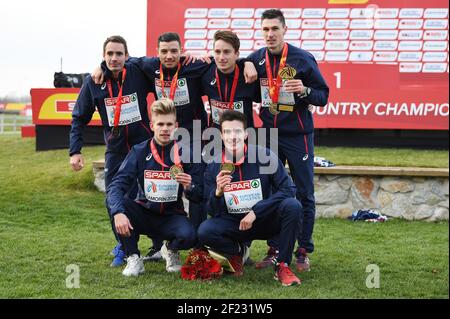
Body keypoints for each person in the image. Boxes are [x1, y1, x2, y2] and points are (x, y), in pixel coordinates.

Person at [247, 9, 329, 272]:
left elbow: (323, 95)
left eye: (274, 29)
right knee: (270, 192)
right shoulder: (256, 59)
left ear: (284, 30)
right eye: (265, 30)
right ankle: (275, 248)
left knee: (304, 192)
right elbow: (231, 66)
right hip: (268, 133)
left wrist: (304, 90)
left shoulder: (302, 59)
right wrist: (245, 63)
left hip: (298, 135)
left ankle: (303, 249)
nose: (270, 34)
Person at [69, 35, 155, 267]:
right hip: (116, 150)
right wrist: (75, 151)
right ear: (103, 56)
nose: (114, 58)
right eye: (110, 54)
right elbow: (78, 118)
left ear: (127, 56)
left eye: (119, 54)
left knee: (151, 196)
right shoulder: (93, 82)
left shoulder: (137, 70)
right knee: (114, 199)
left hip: (143, 146)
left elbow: (161, 65)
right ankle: (124, 247)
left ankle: (159, 245)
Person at [198, 110, 302, 286]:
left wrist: (256, 211)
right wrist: (218, 192)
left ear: (246, 134)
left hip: (264, 221)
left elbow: (288, 188)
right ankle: (238, 252)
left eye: (237, 131)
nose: (233, 136)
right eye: (228, 132)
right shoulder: (214, 165)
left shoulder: (265, 156)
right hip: (236, 225)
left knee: (293, 206)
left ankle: (283, 265)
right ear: (221, 136)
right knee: (204, 231)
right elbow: (211, 211)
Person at [107, 98, 202, 276]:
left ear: (176, 126)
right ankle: (133, 257)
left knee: (190, 236)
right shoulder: (139, 151)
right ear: (152, 125)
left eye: (169, 124)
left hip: (171, 217)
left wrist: (190, 186)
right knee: (117, 204)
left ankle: (171, 250)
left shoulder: (186, 153)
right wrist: (118, 213)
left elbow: (200, 194)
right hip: (144, 214)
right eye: (160, 124)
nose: (165, 128)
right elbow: (116, 185)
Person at [201, 30, 258, 130]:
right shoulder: (205, 71)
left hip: (244, 138)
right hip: (215, 138)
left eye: (227, 52)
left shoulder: (249, 74)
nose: (221, 57)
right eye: (217, 52)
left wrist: (247, 62)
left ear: (237, 54)